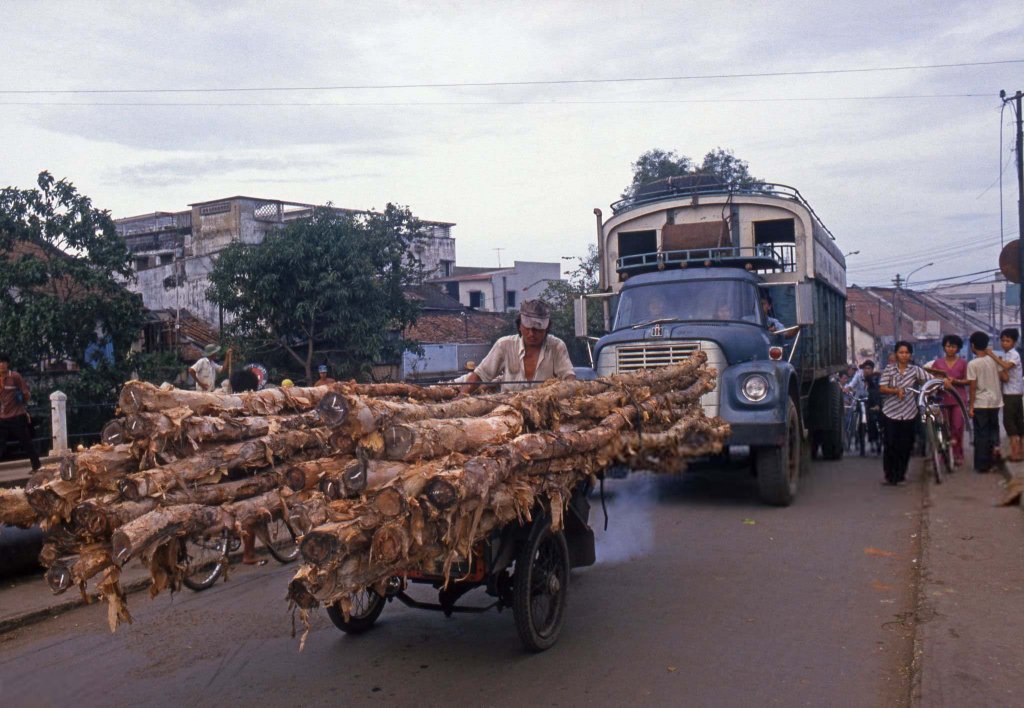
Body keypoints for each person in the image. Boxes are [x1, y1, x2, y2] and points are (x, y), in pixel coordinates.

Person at [462, 299, 575, 393]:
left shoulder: (556, 346)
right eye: (527, 328)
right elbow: (480, 374)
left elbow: (569, 378)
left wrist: (570, 391)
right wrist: (463, 395)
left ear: (546, 329)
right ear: (519, 325)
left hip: (545, 410)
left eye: (537, 330)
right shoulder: (504, 345)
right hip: (508, 409)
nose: (531, 334)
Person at [878, 341, 928, 485]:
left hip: (909, 413)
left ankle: (901, 475)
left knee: (905, 445)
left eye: (906, 353)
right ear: (896, 354)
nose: (904, 355)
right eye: (901, 352)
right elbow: (882, 388)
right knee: (890, 445)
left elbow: (928, 379)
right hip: (890, 413)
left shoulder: (915, 370)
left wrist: (943, 381)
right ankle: (889, 475)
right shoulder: (889, 369)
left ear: (910, 355)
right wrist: (895, 391)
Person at [928, 335, 969, 467]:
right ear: (944, 347)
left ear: (958, 348)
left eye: (953, 346)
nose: (950, 349)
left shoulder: (963, 363)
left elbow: (968, 380)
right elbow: (932, 379)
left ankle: (958, 454)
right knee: (943, 427)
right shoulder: (937, 363)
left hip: (958, 399)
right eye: (948, 346)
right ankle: (943, 454)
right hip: (942, 399)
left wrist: (955, 381)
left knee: (957, 427)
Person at [966, 331, 1003, 474]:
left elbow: (973, 386)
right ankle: (994, 459)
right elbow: (1003, 375)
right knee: (994, 430)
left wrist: (970, 406)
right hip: (995, 401)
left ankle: (982, 464)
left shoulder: (973, 364)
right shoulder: (994, 360)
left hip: (981, 402)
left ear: (973, 346)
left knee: (981, 434)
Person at [0, 353, 41, 471]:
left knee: (26, 442)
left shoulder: (15, 376)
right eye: (0, 362)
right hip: (2, 417)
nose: (1, 364)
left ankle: (36, 467)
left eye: (4, 362)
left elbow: (26, 393)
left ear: (8, 364)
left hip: (17, 416)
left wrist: (22, 405)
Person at [992, 328, 1023, 461]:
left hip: (1013, 393)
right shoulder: (1005, 355)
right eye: (1003, 340)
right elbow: (1005, 377)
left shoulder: (1013, 355)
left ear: (1014, 342)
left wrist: (992, 356)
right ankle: (1018, 452)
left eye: (1007, 341)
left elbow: (1005, 366)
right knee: (1017, 422)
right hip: (1010, 392)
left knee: (1010, 423)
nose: (1004, 343)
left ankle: (1016, 453)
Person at [845, 359, 882, 452]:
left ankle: (877, 439)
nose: (866, 370)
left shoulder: (876, 378)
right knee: (855, 419)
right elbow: (851, 384)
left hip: (872, 402)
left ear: (872, 369)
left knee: (875, 420)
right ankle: (854, 438)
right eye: (865, 368)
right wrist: (847, 388)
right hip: (859, 401)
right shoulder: (858, 375)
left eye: (869, 368)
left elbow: (878, 391)